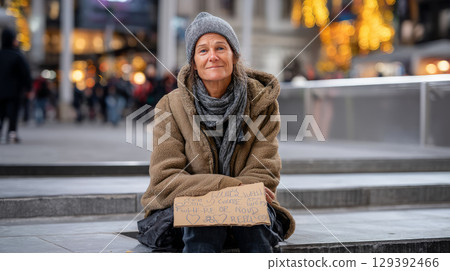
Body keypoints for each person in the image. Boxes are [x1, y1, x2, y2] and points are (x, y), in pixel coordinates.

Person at [138, 12, 295, 253]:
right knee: (204, 222)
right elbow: (166, 180)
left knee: (251, 220)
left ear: (234, 55)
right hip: (185, 213)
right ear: (193, 63)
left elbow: (264, 172)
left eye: (220, 48)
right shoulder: (170, 106)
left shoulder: (262, 102)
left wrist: (237, 194)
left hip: (247, 210)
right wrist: (231, 187)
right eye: (203, 50)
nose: (212, 56)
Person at [0, 28, 31, 143]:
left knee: (1, 112)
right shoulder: (17, 56)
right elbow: (25, 74)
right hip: (14, 91)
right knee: (13, 112)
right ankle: (12, 133)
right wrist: (28, 88)